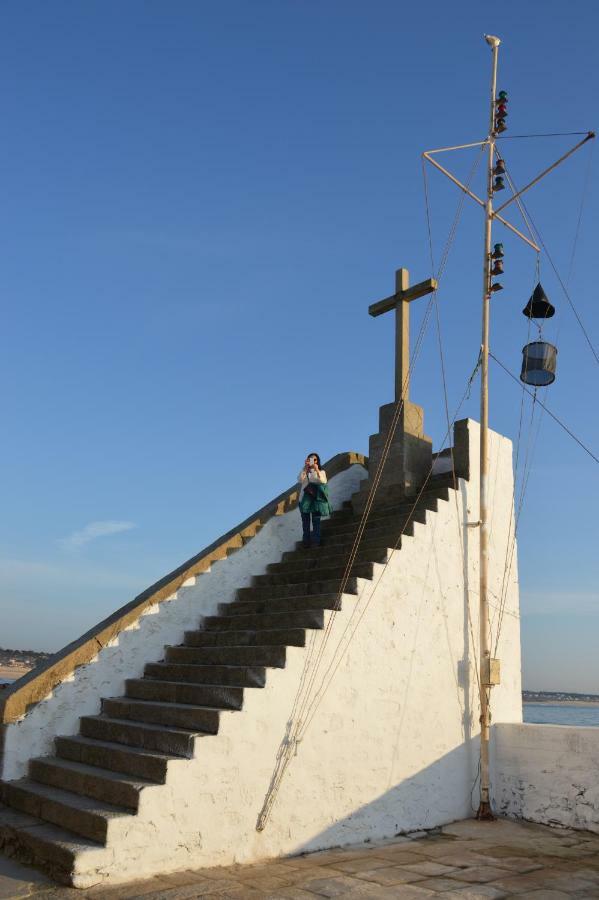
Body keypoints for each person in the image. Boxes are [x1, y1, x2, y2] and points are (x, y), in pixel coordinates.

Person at [297, 453, 332, 548]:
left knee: (316, 521)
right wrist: (305, 468)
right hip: (304, 500)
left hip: (316, 500)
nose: (313, 461)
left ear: (318, 461)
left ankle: (316, 541)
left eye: (315, 460)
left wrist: (315, 469)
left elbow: (322, 481)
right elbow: (300, 480)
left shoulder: (321, 471)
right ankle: (306, 541)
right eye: (310, 459)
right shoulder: (305, 471)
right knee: (305, 522)